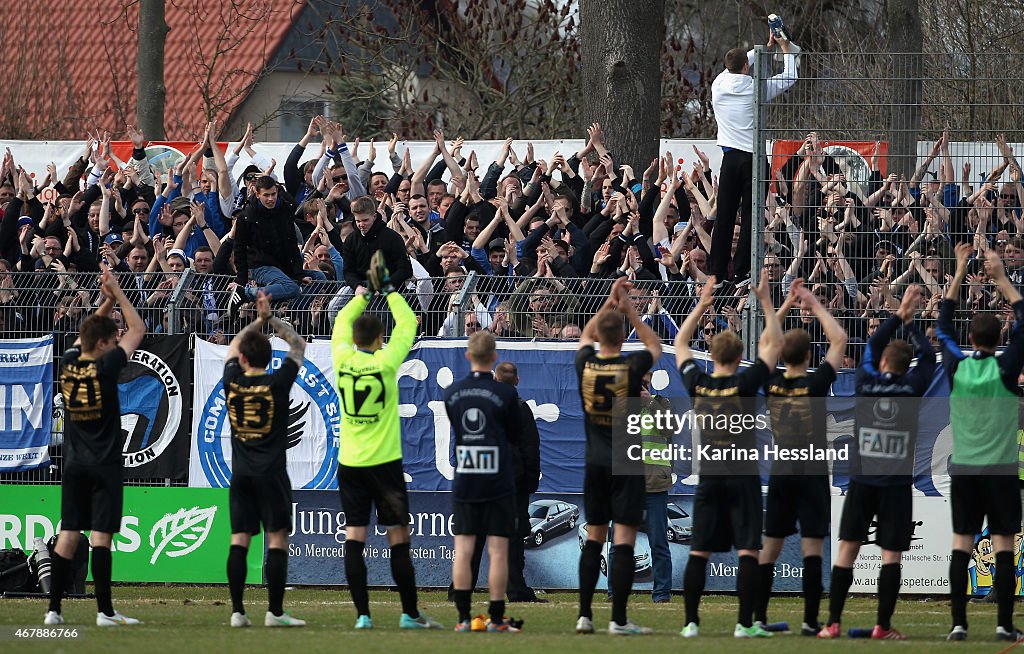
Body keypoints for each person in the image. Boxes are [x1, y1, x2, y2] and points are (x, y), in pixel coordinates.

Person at [331, 251, 441, 630]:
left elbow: (342, 319)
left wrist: (362, 294)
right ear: (380, 338)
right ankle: (410, 614)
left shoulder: (341, 357)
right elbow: (409, 322)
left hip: (351, 464)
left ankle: (363, 615)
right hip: (385, 465)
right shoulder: (386, 362)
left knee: (355, 538)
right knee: (398, 538)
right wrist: (389, 289)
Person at [819, 285, 935, 640]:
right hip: (897, 485)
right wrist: (912, 325)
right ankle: (882, 626)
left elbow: (869, 346)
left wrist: (898, 316)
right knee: (891, 557)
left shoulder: (866, 383)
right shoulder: (914, 387)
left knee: (847, 550)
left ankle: (832, 623)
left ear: (884, 362)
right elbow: (929, 357)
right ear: (906, 366)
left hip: (862, 481)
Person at [675, 275, 782, 639]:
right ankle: (744, 623)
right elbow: (775, 345)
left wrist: (702, 304)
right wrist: (766, 301)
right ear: (739, 358)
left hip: (710, 478)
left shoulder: (699, 385)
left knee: (699, 551)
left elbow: (679, 343)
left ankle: (690, 623)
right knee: (749, 550)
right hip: (743, 478)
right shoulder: (746, 383)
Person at [46, 266, 145, 626]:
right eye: (112, 339)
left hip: (74, 463)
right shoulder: (106, 366)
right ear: (104, 345)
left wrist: (103, 304)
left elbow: (87, 335)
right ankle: (104, 612)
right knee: (101, 535)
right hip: (104, 463)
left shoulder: (70, 363)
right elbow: (139, 329)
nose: (117, 341)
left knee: (69, 532)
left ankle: (53, 610)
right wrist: (117, 292)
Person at [938, 245, 1024, 642]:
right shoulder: (1006, 370)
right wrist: (1002, 278)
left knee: (962, 544)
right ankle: (1005, 624)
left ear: (971, 337)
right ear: (999, 337)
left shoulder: (957, 367)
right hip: (1003, 470)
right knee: (1003, 545)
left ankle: (959, 623)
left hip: (966, 469)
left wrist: (958, 271)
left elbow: (942, 326)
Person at [757, 279, 847, 636]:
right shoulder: (815, 384)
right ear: (809, 356)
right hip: (811, 472)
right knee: (813, 550)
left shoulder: (772, 383)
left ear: (782, 354)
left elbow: (766, 342)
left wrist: (774, 303)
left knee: (771, 548)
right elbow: (839, 339)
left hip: (782, 472)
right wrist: (812, 303)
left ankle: (757, 618)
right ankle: (811, 621)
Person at [575, 276, 661, 635]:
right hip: (626, 460)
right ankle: (619, 619)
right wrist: (631, 312)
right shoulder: (630, 367)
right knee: (624, 538)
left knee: (595, 537)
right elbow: (655, 347)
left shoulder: (586, 365)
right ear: (622, 337)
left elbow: (583, 337)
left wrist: (610, 303)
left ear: (598, 336)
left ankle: (584, 615)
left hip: (595, 461)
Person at [223, 290, 307, 627]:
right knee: (277, 538)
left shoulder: (232, 382)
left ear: (243, 359)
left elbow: (232, 345)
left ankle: (237, 612)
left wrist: (256, 321)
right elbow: (299, 345)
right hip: (272, 473)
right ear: (269, 359)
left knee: (239, 540)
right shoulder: (278, 382)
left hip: (241, 474)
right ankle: (274, 612)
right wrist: (271, 319)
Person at [445, 331, 523, 632]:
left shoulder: (453, 392)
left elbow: (458, 429)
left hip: (466, 478)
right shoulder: (506, 393)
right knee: (498, 551)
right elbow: (514, 433)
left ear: (468, 356)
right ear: (494, 357)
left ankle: (463, 619)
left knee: (463, 549)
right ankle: (497, 617)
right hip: (498, 479)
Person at [709, 26, 798, 288]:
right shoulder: (756, 88)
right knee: (751, 215)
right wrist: (783, 49)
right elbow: (789, 77)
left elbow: (738, 62)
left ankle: (716, 272)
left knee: (724, 215)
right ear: (747, 68)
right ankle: (741, 269)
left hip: (730, 159)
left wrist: (763, 49)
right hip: (754, 159)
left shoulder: (718, 84)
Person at [496, 361, 545, 603]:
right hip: (514, 482)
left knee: (475, 536)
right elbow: (531, 448)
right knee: (514, 537)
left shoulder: (484, 407)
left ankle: (459, 587)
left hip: (486, 479)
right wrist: (531, 479)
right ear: (517, 380)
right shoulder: (520, 408)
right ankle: (516, 588)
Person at [638, 371, 674, 603]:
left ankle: (661, 593)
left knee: (659, 542)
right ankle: (614, 592)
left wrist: (649, 402)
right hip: (627, 483)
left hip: (654, 483)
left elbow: (669, 430)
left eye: (646, 379)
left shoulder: (661, 403)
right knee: (618, 541)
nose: (642, 384)